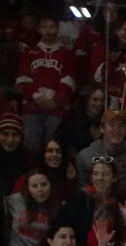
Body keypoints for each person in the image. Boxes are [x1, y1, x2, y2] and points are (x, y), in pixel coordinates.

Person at [16, 13, 76, 152]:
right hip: (31, 108)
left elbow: (69, 79)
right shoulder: (29, 52)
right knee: (30, 147)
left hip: (57, 109)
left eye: (51, 27)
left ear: (57, 29)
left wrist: (56, 100)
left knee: (54, 146)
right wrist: (36, 96)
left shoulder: (66, 54)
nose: (48, 30)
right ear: (39, 29)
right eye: (44, 27)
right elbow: (22, 79)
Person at [3, 169, 58, 246]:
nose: (40, 189)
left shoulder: (58, 207)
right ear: (27, 188)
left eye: (44, 184)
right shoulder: (16, 200)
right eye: (34, 186)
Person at [75, 110, 126, 189]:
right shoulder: (85, 156)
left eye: (121, 126)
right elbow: (82, 188)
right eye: (112, 125)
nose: (117, 129)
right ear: (102, 128)